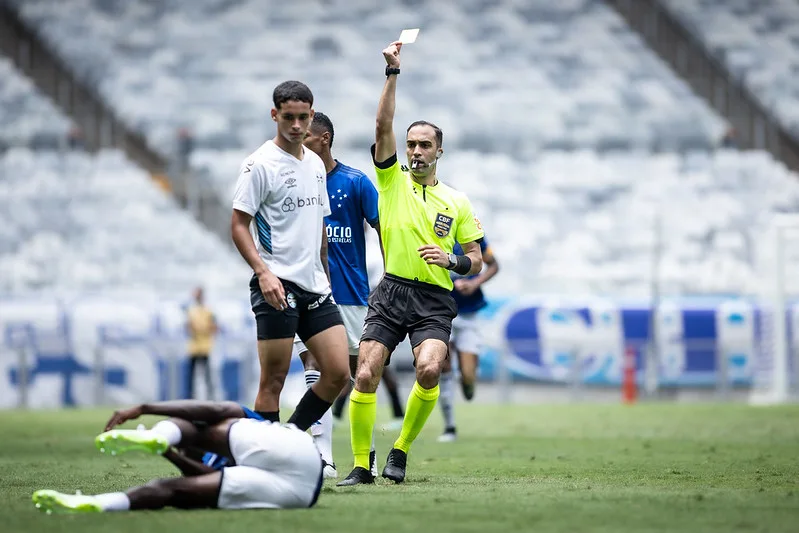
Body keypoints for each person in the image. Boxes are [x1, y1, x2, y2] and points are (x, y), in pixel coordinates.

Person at [337, 41, 484, 486]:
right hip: (392, 290)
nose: (415, 151)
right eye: (411, 144)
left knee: (430, 367)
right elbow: (382, 122)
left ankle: (399, 450)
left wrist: (453, 259)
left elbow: (477, 261)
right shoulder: (391, 180)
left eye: (425, 145)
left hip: (435, 298)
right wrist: (392, 73)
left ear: (440, 151)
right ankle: (361, 465)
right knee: (364, 373)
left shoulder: (457, 201)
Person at [230, 80, 349, 432]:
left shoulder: (314, 163)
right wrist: (263, 273)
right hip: (277, 286)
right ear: (274, 115)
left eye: (302, 118)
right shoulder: (259, 165)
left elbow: (319, 228)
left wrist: (325, 276)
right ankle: (263, 458)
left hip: (315, 286)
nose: (296, 126)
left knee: (338, 373)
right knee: (273, 382)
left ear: (311, 116)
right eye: (288, 118)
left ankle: (290, 440)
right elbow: (238, 225)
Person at [289, 111, 393, 479]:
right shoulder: (296, 181)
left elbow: (384, 229)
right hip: (308, 291)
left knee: (356, 375)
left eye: (307, 140)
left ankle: (368, 455)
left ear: (325, 139)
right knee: (313, 367)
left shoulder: (355, 182)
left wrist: (389, 277)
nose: (300, 145)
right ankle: (323, 458)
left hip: (351, 295)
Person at [31, 400, 324, 513]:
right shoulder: (206, 458)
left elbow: (216, 411)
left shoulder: (218, 430)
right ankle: (94, 503)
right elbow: (199, 478)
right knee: (169, 488)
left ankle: (158, 434)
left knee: (193, 438)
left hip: (298, 465)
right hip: (298, 489)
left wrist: (145, 407)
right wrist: (168, 453)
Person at [437, 237, 499, 442]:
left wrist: (474, 284)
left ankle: (468, 381)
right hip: (441, 311)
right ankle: (450, 427)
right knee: (442, 367)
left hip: (469, 314)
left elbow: (494, 265)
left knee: (468, 377)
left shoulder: (474, 234)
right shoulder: (434, 229)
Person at [185, 286, 217, 400]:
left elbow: (214, 327)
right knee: (191, 377)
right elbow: (188, 328)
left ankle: (210, 398)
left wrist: (201, 329)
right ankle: (190, 399)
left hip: (205, 348)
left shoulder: (208, 311)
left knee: (207, 376)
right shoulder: (191, 310)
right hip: (193, 348)